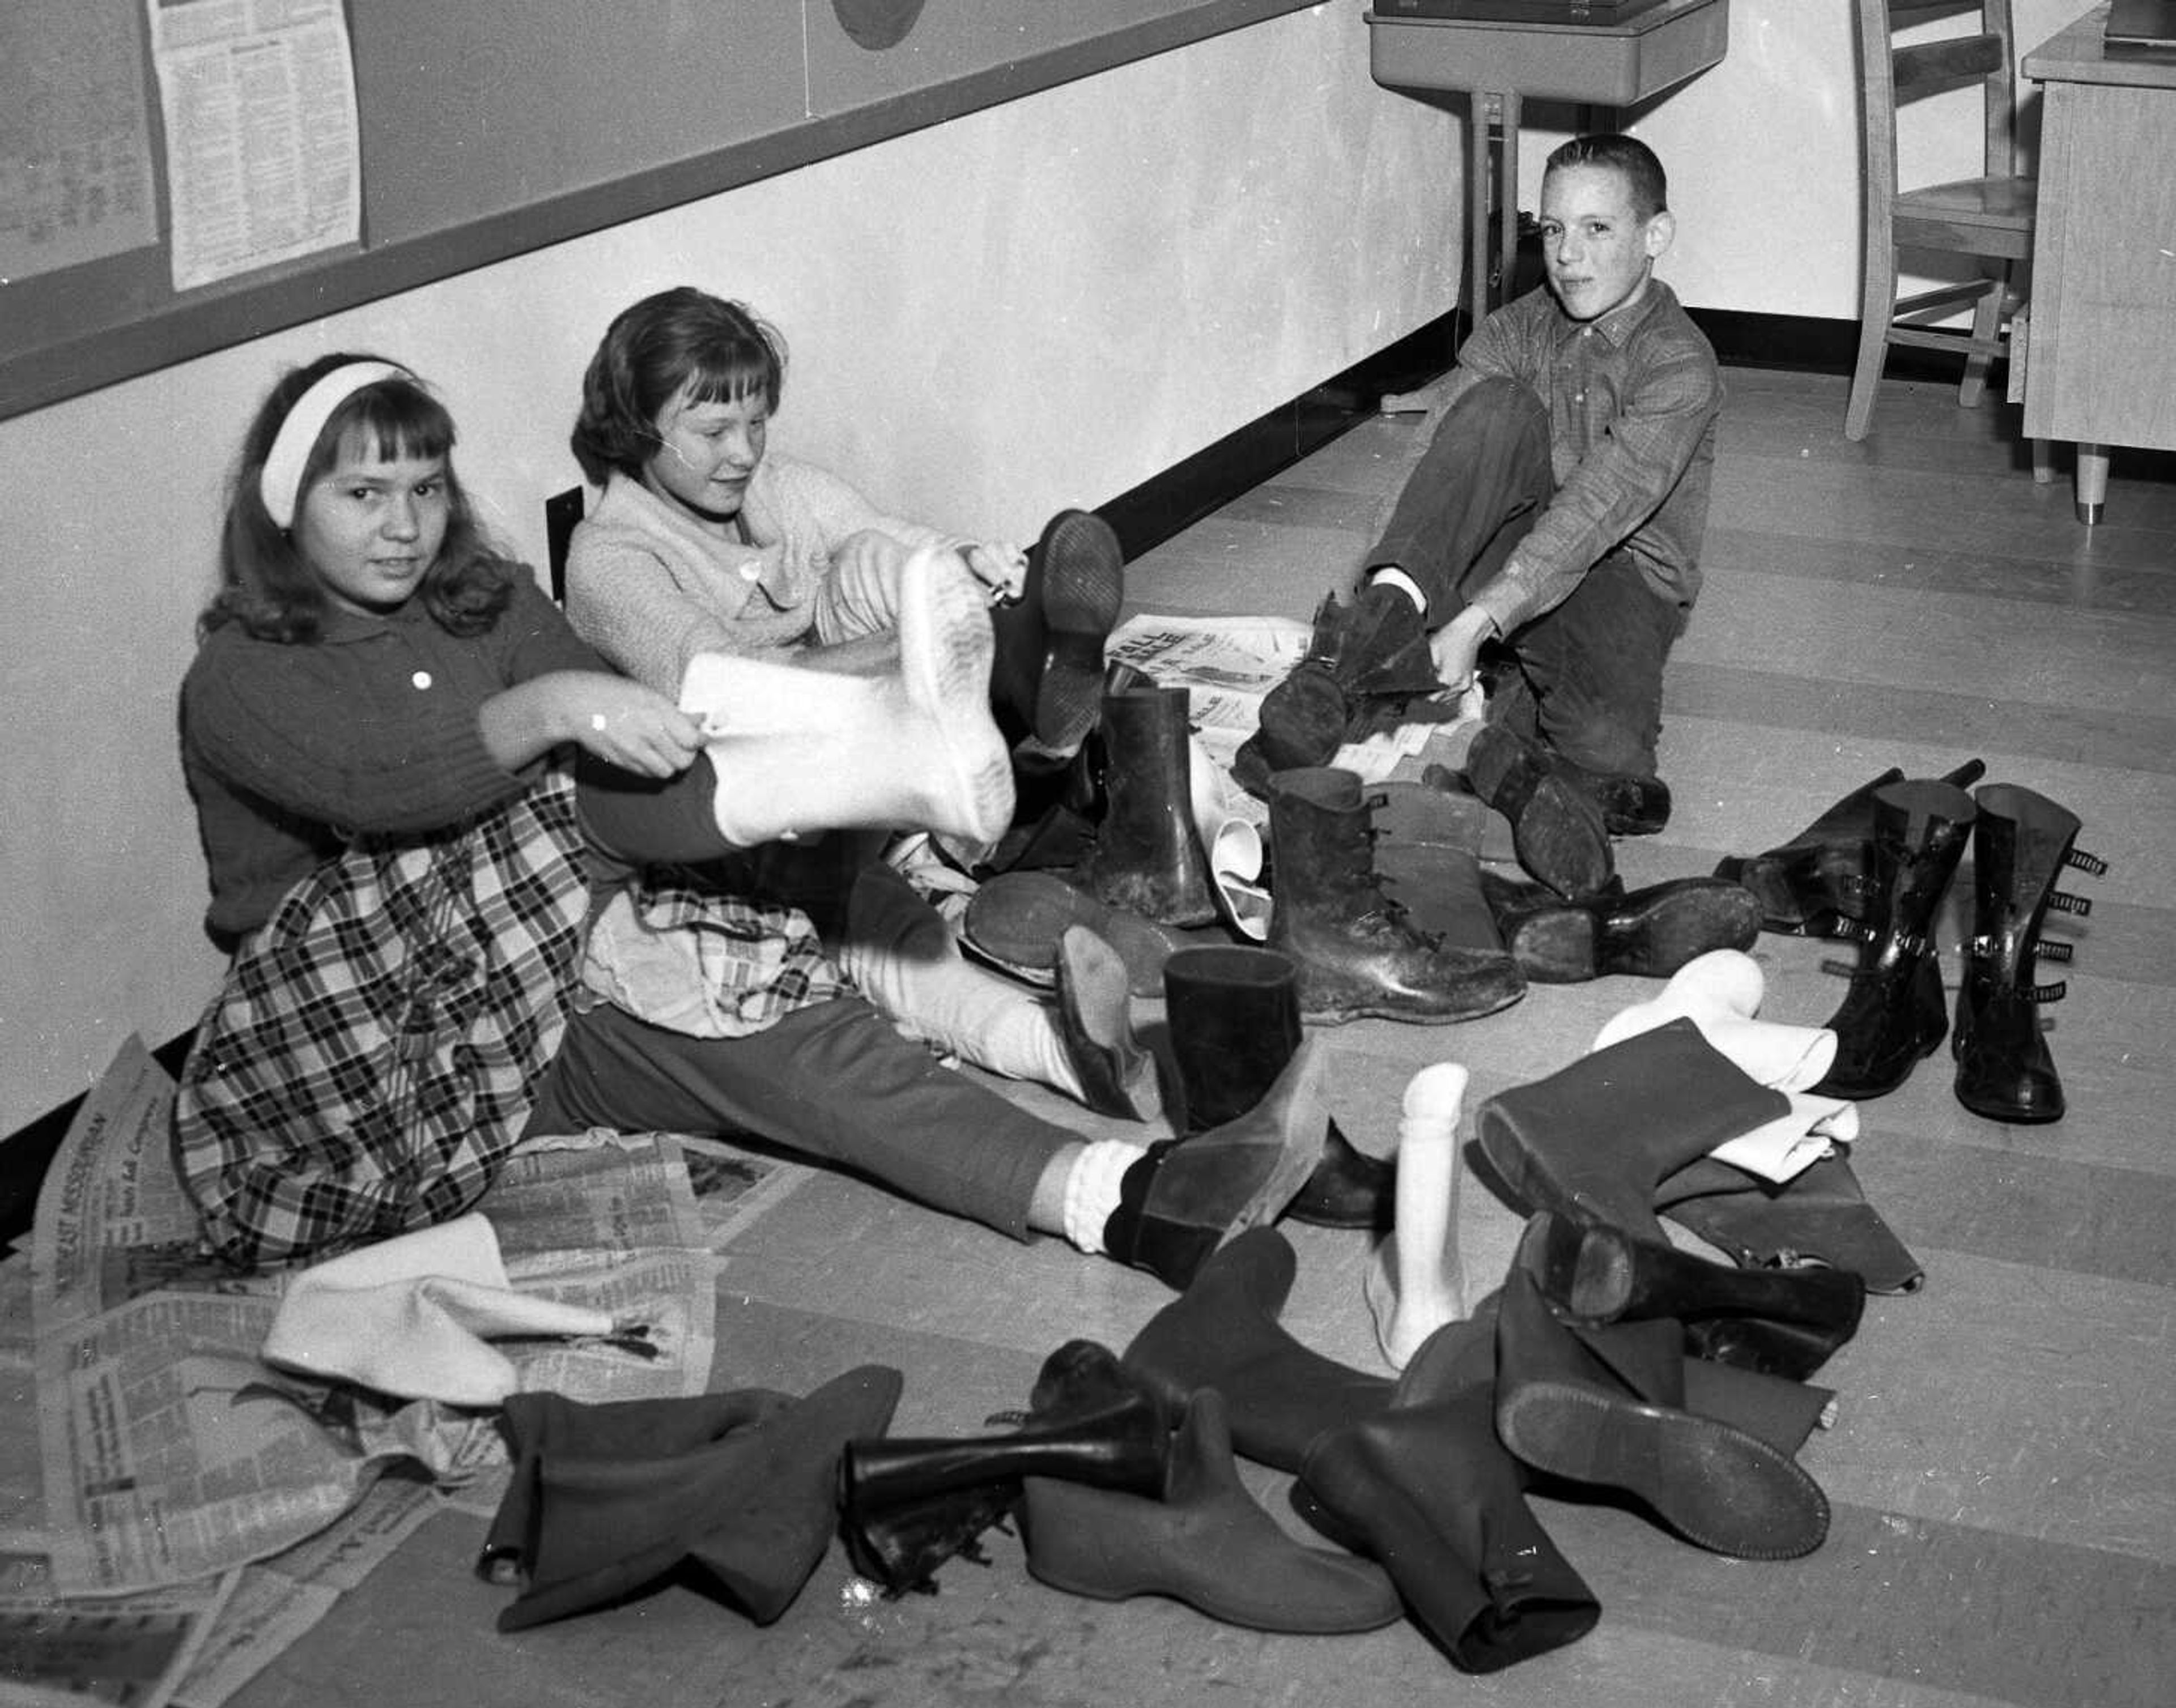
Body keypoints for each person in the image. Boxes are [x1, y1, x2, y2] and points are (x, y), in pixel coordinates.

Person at [172, 353, 1325, 1285]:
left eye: (426, 489)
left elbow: (627, 726)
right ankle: (889, 757)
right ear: (284, 511)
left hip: (536, 1000)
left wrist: (598, 708)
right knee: (589, 801)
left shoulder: (489, 598)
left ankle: (1123, 1204)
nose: (404, 525)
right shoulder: (239, 672)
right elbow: (391, 789)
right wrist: (553, 704)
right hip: (371, 1045)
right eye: (362, 495)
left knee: (751, 1011)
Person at [562, 287, 1136, 1113]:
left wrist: (977, 568)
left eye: (757, 423)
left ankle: (987, 701)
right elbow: (727, 688)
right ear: (637, 424)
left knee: (874, 557)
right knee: (886, 935)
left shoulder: (774, 488)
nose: (743, 452)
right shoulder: (609, 558)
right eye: (713, 431)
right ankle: (1063, 1052)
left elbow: (899, 542)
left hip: (868, 775)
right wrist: (916, 650)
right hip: (749, 794)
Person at [1239, 134, 1720, 888]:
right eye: (1554, 229)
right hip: (1512, 555)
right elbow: (1435, 470)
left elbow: (1596, 512)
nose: (1568, 255)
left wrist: (1475, 622)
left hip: (1617, 577)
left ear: (1654, 236)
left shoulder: (1679, 363)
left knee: (1607, 759)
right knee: (1490, 407)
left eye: (1598, 229)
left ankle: (1513, 725)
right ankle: (1375, 644)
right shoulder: (1517, 328)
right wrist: (1377, 605)